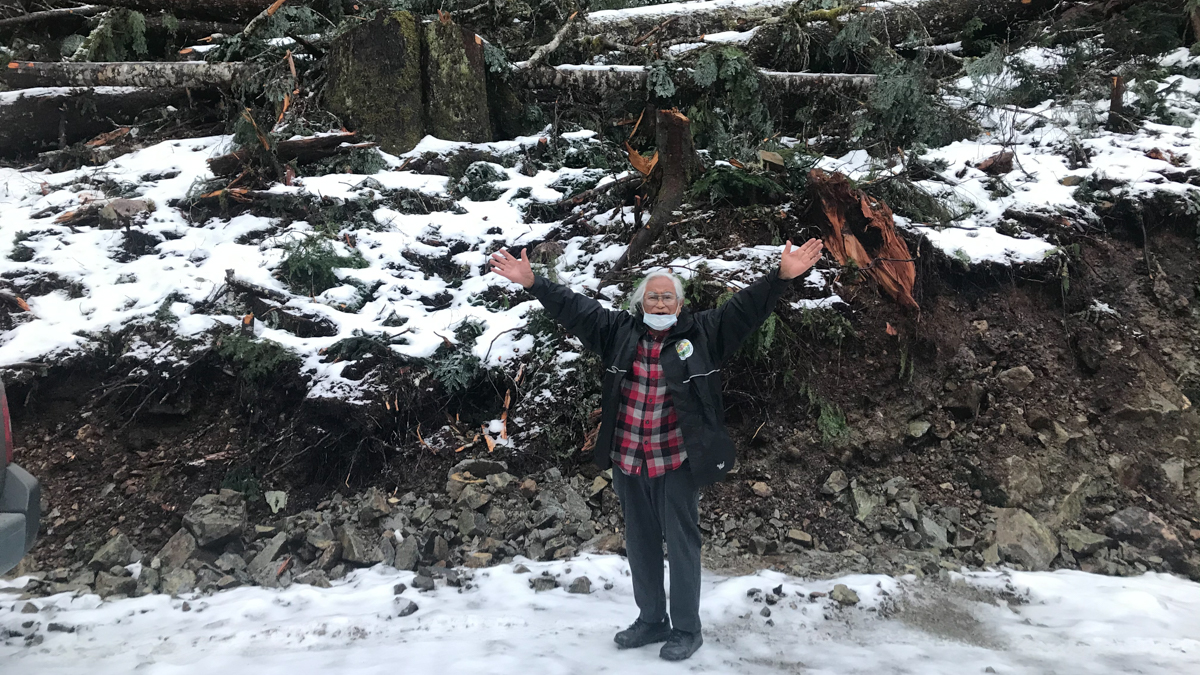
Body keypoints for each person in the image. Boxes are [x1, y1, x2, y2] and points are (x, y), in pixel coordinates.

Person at [489, 238, 824, 661]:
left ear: (680, 305)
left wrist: (779, 278)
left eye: (668, 297)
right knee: (640, 542)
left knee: (682, 544)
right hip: (628, 459)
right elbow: (574, 308)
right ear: (640, 302)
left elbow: (745, 309)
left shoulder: (704, 333)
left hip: (678, 460)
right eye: (653, 296)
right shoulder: (617, 332)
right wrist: (534, 283)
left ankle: (686, 628)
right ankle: (651, 620)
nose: (661, 302)